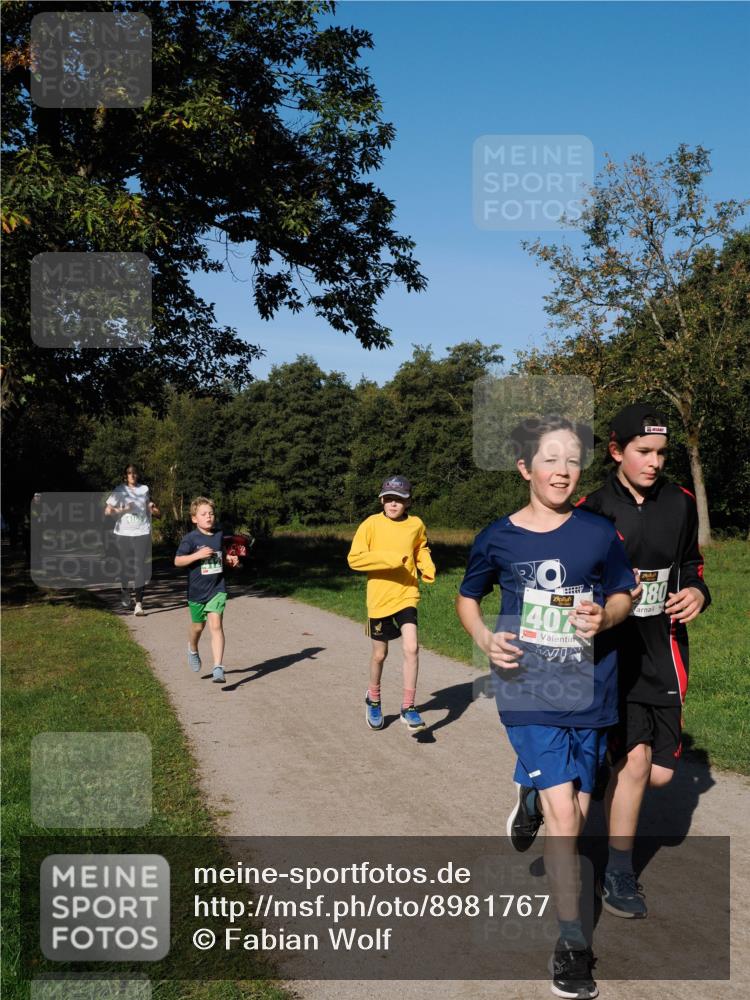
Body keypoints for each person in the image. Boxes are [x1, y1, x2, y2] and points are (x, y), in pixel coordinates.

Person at [456, 416, 635, 1000]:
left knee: (576, 816)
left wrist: (605, 616)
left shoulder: (598, 533)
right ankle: (571, 945)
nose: (562, 470)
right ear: (524, 468)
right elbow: (467, 599)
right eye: (550, 459)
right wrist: (486, 640)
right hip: (527, 691)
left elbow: (623, 593)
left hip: (590, 691)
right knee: (566, 821)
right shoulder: (497, 537)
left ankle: (531, 791)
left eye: (572, 460)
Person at [576, 403, 711, 919]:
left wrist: (698, 592)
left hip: (664, 647)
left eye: (660, 453)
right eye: (643, 452)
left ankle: (579, 779)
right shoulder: (592, 509)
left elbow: (693, 566)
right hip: (611, 650)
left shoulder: (680, 502)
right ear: (616, 451)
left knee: (656, 775)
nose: (654, 462)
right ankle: (618, 871)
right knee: (633, 763)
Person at [347, 475, 436, 734]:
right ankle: (373, 698)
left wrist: (425, 564)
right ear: (382, 500)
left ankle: (409, 707)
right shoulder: (371, 525)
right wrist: (391, 559)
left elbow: (421, 547)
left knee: (412, 648)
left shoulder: (416, 524)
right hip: (379, 599)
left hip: (406, 594)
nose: (393, 504)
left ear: (408, 502)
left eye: (399, 499)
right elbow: (354, 559)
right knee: (380, 654)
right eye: (389, 499)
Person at [174, 496, 239, 684]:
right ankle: (192, 648)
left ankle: (218, 667)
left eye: (211, 513)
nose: (208, 517)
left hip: (217, 588)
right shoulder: (190, 539)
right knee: (197, 627)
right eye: (203, 514)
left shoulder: (219, 535)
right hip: (196, 592)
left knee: (216, 625)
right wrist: (197, 555)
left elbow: (221, 555)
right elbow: (177, 561)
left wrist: (230, 560)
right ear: (194, 518)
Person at [105, 464, 159, 615]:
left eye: (134, 473)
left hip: (142, 531)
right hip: (123, 533)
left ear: (137, 475)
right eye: (129, 473)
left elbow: (150, 506)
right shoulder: (119, 490)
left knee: (139, 566)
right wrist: (124, 510)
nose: (132, 475)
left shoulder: (144, 489)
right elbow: (108, 511)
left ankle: (139, 605)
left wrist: (152, 508)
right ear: (125, 476)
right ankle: (124, 591)